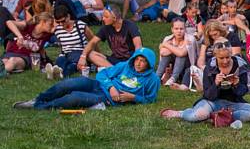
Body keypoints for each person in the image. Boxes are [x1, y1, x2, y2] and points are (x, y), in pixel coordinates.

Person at [12, 48, 160, 110]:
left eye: (143, 61)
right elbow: (102, 74)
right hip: (98, 84)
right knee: (68, 84)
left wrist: (133, 97)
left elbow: (150, 99)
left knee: (75, 97)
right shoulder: (125, 66)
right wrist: (111, 87)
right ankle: (38, 99)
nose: (138, 63)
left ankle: (41, 107)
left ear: (149, 63)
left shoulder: (152, 79)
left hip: (106, 98)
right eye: (137, 59)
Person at [160, 42, 250, 128]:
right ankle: (180, 113)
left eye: (227, 57)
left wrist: (237, 84)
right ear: (215, 56)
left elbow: (243, 92)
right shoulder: (210, 67)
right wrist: (216, 84)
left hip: (232, 103)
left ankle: (219, 116)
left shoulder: (240, 66)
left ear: (231, 55)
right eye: (221, 58)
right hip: (211, 102)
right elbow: (207, 95)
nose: (225, 61)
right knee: (197, 116)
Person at [78, 6, 143, 70]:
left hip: (130, 60)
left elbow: (138, 46)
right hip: (115, 59)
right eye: (103, 16)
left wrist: (135, 62)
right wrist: (83, 56)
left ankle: (118, 69)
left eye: (106, 17)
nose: (103, 19)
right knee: (90, 54)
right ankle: (114, 69)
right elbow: (93, 42)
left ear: (114, 18)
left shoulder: (130, 26)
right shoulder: (106, 28)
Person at [50, 5, 94, 78]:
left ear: (68, 16)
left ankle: (59, 73)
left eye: (63, 21)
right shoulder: (57, 29)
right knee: (60, 59)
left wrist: (97, 57)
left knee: (72, 65)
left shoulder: (80, 25)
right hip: (66, 54)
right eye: (58, 22)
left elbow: (93, 41)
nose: (61, 24)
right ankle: (59, 72)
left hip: (80, 54)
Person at [157, 18, 199, 90]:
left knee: (181, 56)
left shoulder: (190, 39)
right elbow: (162, 52)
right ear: (172, 29)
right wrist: (177, 48)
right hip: (173, 66)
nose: (179, 31)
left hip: (188, 67)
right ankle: (157, 77)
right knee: (167, 56)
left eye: (181, 29)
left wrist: (166, 45)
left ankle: (173, 78)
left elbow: (182, 53)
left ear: (185, 29)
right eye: (176, 29)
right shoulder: (168, 38)